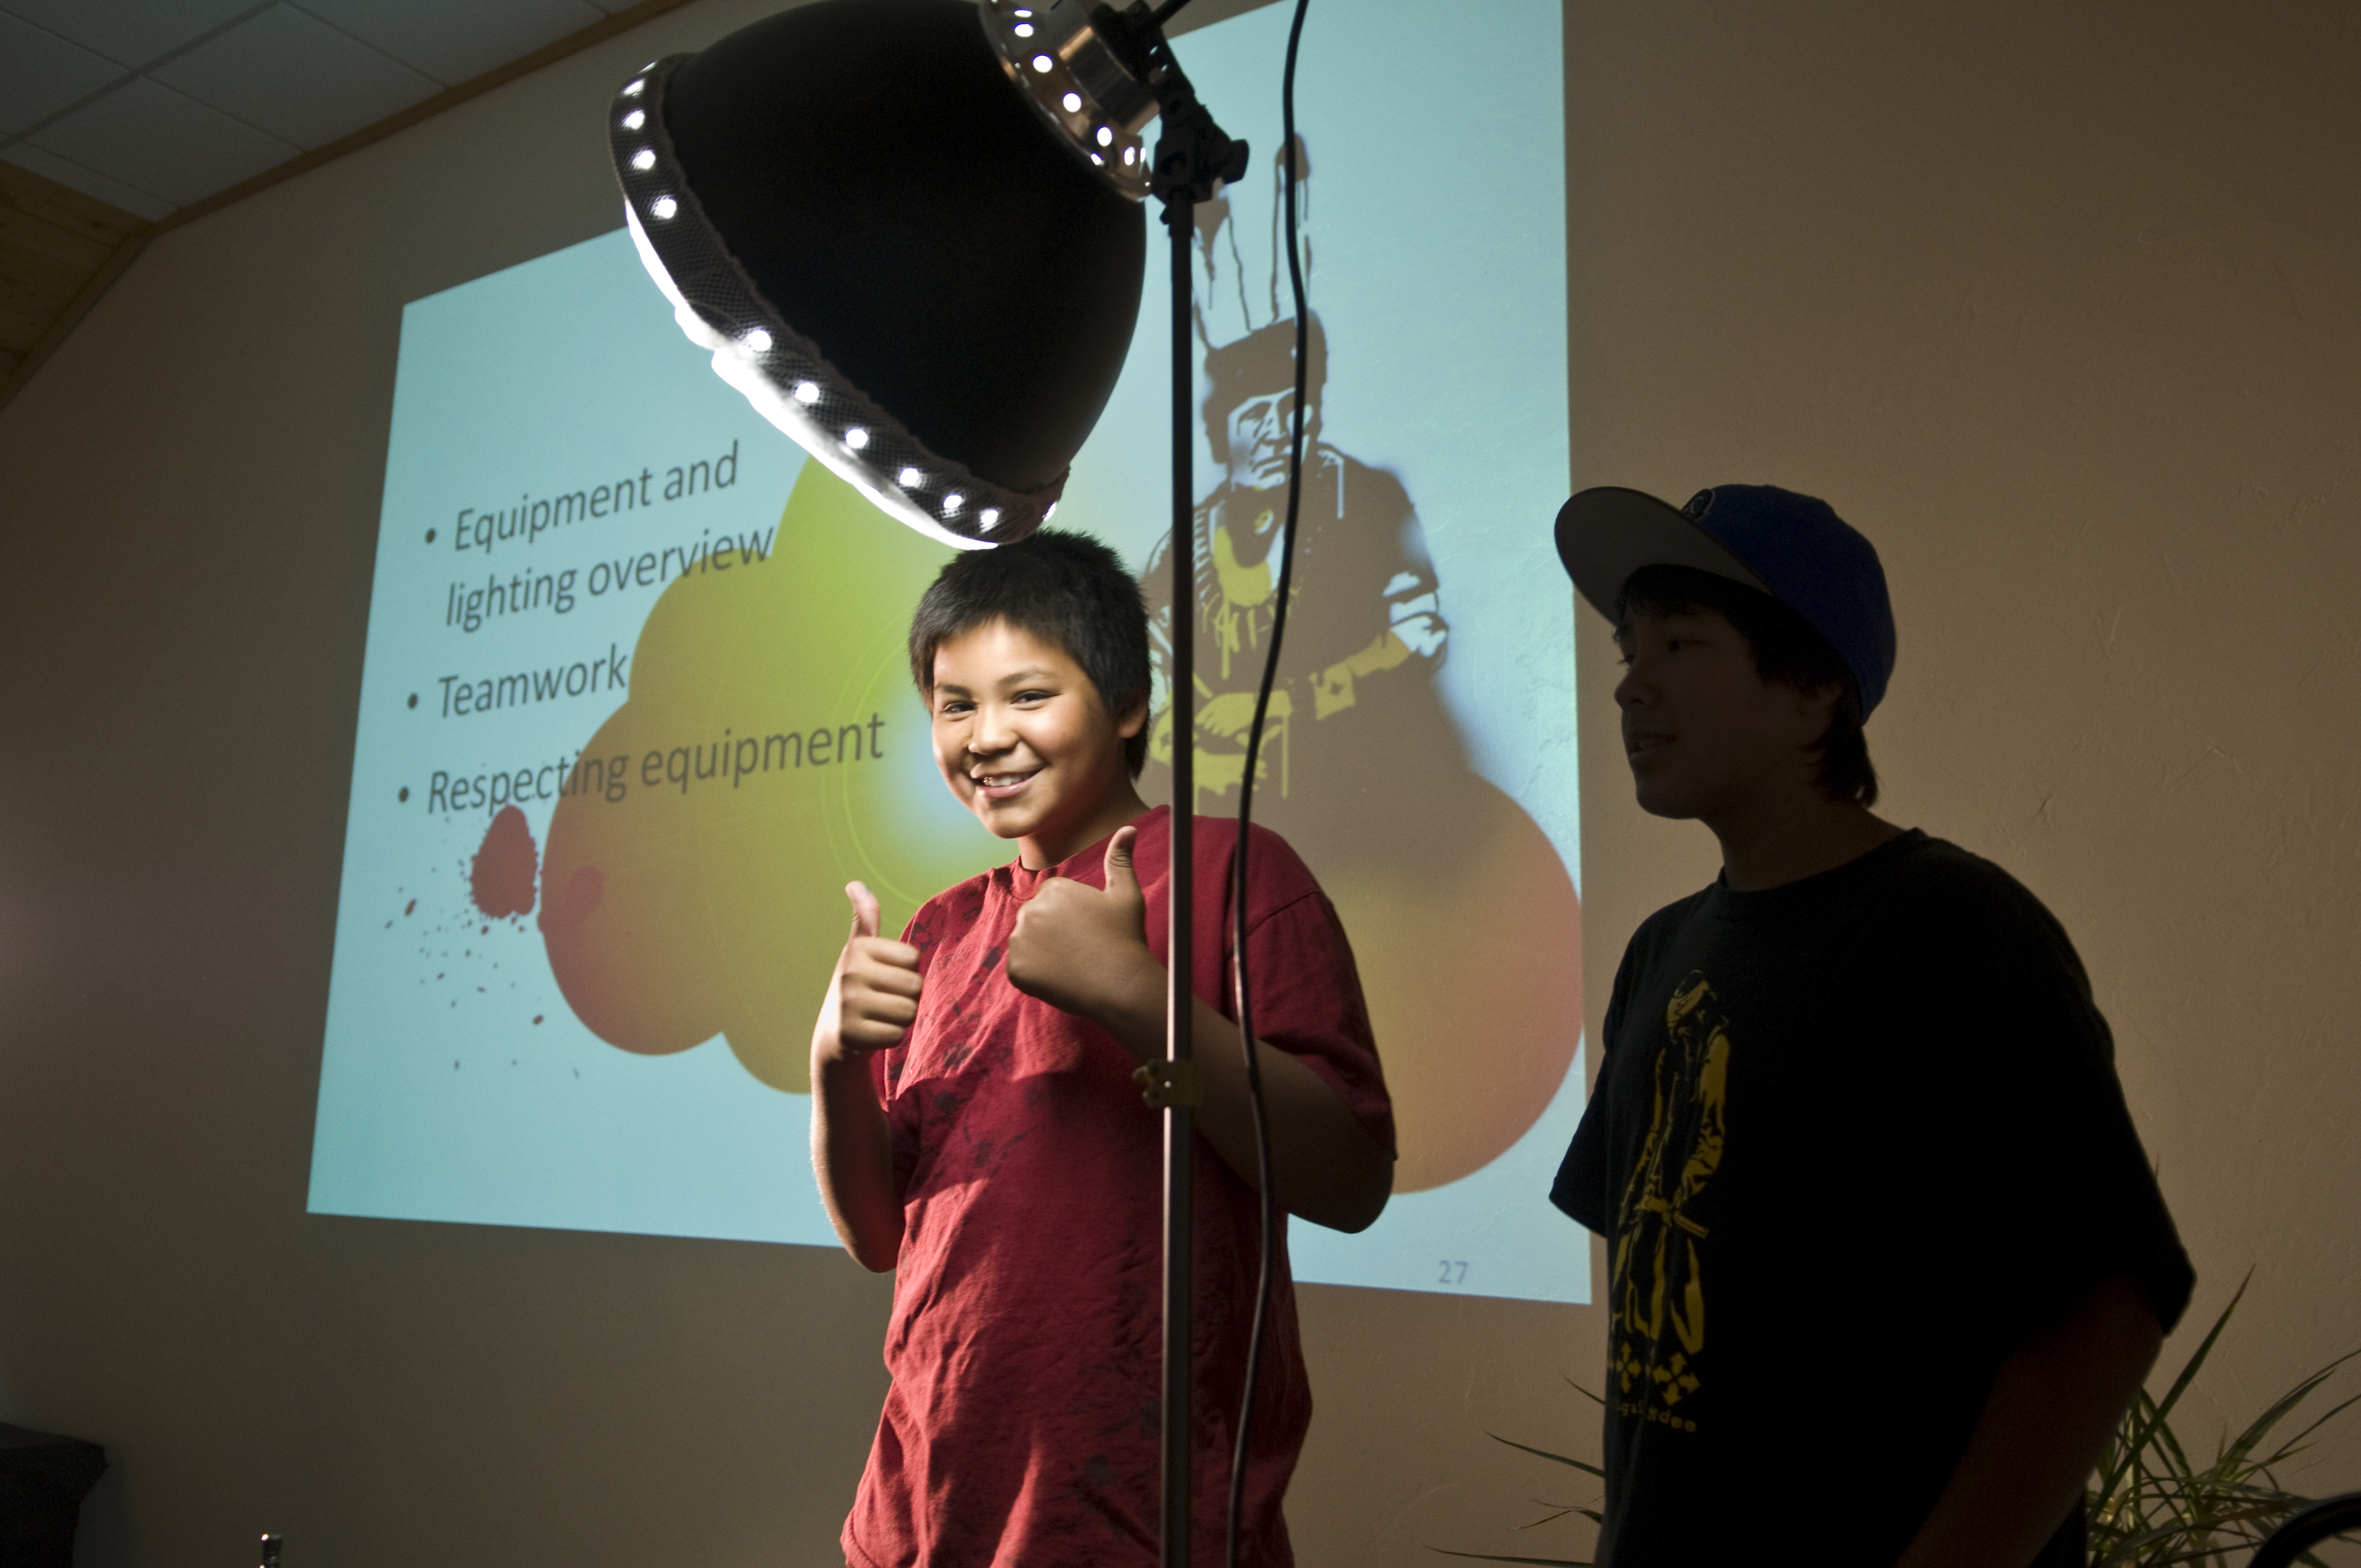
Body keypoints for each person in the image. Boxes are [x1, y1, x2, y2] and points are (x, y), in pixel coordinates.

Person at [1548, 484, 2193, 1568]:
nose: (1629, 685)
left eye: (1678, 642)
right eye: (1626, 647)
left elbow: (2103, 1308)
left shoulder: (1950, 929)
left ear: (1811, 690)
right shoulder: (1661, 952)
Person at [810, 529, 1397, 1568]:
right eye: (955, 706)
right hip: (918, 1513)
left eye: (1027, 696)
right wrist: (834, 1062)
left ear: (1128, 705)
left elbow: (1350, 1178)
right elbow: (877, 1237)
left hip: (1139, 1521)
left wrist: (1141, 1000)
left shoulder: (1233, 871)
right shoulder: (940, 929)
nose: (986, 736)